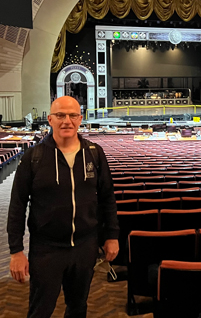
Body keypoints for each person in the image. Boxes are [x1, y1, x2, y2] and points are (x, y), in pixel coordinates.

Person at [7, 96, 119, 318]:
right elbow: (17, 205)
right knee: (40, 310)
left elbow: (107, 198)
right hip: (46, 249)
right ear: (50, 119)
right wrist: (16, 251)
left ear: (80, 119)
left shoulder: (94, 153)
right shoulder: (33, 157)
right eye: (60, 115)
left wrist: (112, 236)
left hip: (85, 246)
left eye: (72, 115)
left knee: (78, 307)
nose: (66, 121)